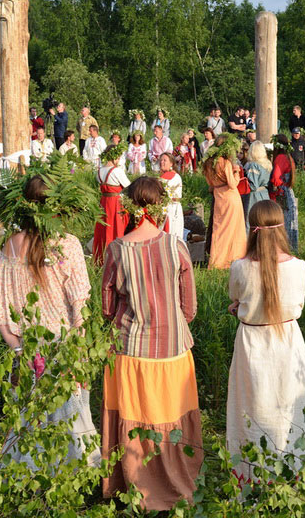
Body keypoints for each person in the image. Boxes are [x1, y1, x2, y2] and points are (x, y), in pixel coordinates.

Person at [100, 176, 202, 511]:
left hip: (131, 350)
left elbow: (107, 308)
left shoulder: (117, 249)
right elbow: (189, 309)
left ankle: (132, 484)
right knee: (171, 416)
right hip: (172, 351)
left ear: (129, 206)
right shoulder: (177, 246)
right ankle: (175, 482)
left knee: (135, 417)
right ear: (160, 206)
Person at [0, 175, 100, 469]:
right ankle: (72, 476)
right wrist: (77, 345)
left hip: (27, 346)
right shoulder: (67, 243)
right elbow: (80, 303)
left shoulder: (10, 245)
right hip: (63, 342)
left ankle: (27, 477)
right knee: (71, 414)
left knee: (28, 414)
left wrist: (16, 347)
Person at [226, 200, 305, 483]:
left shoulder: (239, 267)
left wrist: (240, 308)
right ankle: (294, 474)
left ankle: (254, 476)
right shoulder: (299, 268)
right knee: (290, 406)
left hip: (253, 343)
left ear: (251, 229)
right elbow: (296, 301)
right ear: (282, 227)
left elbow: (237, 297)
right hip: (287, 340)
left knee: (252, 409)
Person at [203, 135, 247, 269]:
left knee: (219, 229)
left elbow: (210, 184)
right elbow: (233, 184)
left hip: (218, 196)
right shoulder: (226, 162)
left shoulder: (208, 163)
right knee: (235, 229)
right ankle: (234, 258)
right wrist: (236, 172)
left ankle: (216, 260)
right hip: (230, 196)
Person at [92, 143, 130, 263]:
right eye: (118, 157)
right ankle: (117, 257)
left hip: (103, 202)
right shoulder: (116, 171)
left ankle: (101, 257)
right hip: (115, 203)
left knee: (103, 229)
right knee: (116, 227)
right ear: (114, 157)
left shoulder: (99, 171)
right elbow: (129, 186)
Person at [270, 134, 299, 252]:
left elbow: (276, 178)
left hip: (282, 193)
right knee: (289, 219)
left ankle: (283, 247)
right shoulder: (288, 156)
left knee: (283, 220)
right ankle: (291, 246)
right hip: (288, 191)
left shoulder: (280, 158)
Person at [158, 153, 184, 241]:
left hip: (171, 209)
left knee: (170, 234)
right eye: (161, 160)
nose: (162, 162)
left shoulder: (172, 176)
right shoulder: (166, 176)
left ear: (171, 163)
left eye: (165, 160)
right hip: (168, 207)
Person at [244, 140, 271, 214]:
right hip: (264, 194)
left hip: (254, 197)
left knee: (252, 219)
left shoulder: (253, 165)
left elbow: (253, 185)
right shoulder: (267, 164)